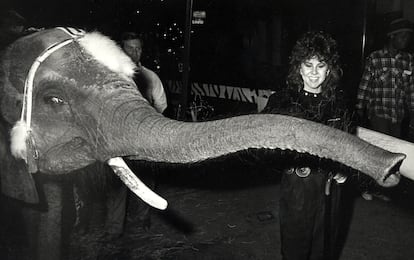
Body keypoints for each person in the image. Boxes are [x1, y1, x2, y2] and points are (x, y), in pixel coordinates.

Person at [262, 31, 352, 260]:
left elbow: (350, 145)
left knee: (325, 248)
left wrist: (345, 170)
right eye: (308, 65)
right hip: (297, 186)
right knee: (295, 247)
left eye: (320, 66)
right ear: (298, 68)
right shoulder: (281, 101)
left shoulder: (339, 104)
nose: (313, 72)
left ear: (329, 69)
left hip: (331, 187)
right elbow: (263, 151)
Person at [103, 32, 168, 237]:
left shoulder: (150, 77)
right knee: (117, 184)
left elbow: (161, 105)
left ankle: (141, 220)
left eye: (138, 48)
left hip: (143, 142)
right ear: (121, 49)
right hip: (117, 141)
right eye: (130, 48)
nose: (134, 52)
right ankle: (114, 229)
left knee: (146, 181)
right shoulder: (108, 76)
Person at [356, 17, 413, 201]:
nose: (406, 40)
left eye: (408, 37)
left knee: (393, 155)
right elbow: (365, 85)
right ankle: (368, 186)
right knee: (379, 152)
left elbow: (411, 90)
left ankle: (382, 187)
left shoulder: (408, 60)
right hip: (378, 112)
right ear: (392, 37)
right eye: (402, 36)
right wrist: (359, 107)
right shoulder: (375, 58)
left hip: (398, 115)